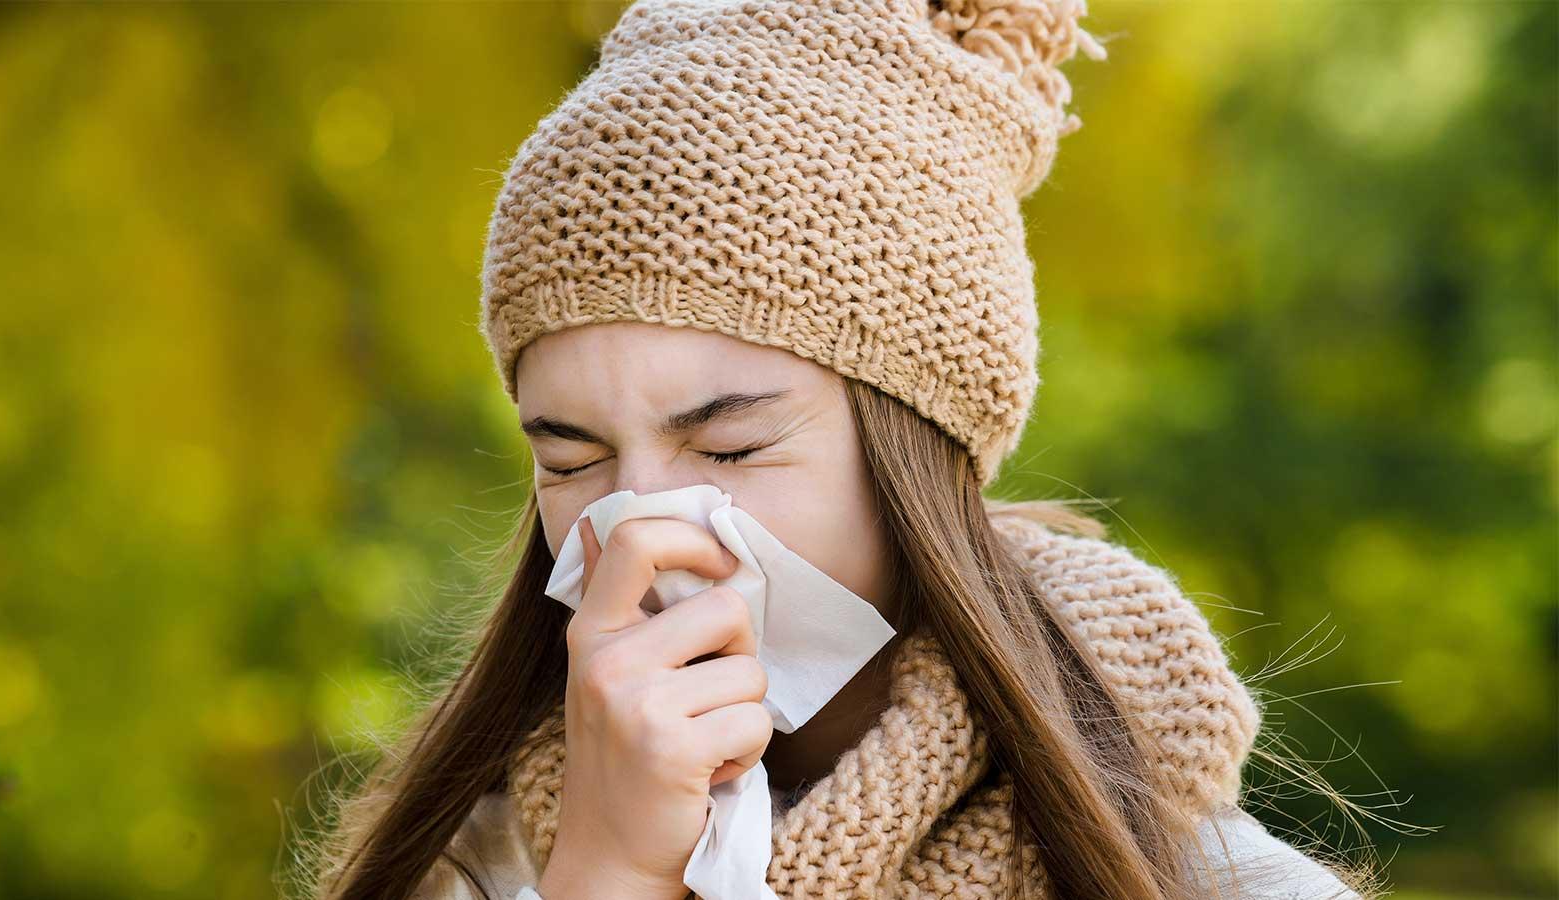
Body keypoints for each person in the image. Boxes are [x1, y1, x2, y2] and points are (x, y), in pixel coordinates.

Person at [304, 1, 1375, 898]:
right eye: (570, 460)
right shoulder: (461, 862)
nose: (641, 530)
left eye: (727, 447)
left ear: (922, 444)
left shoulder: (1190, 876)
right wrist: (609, 868)